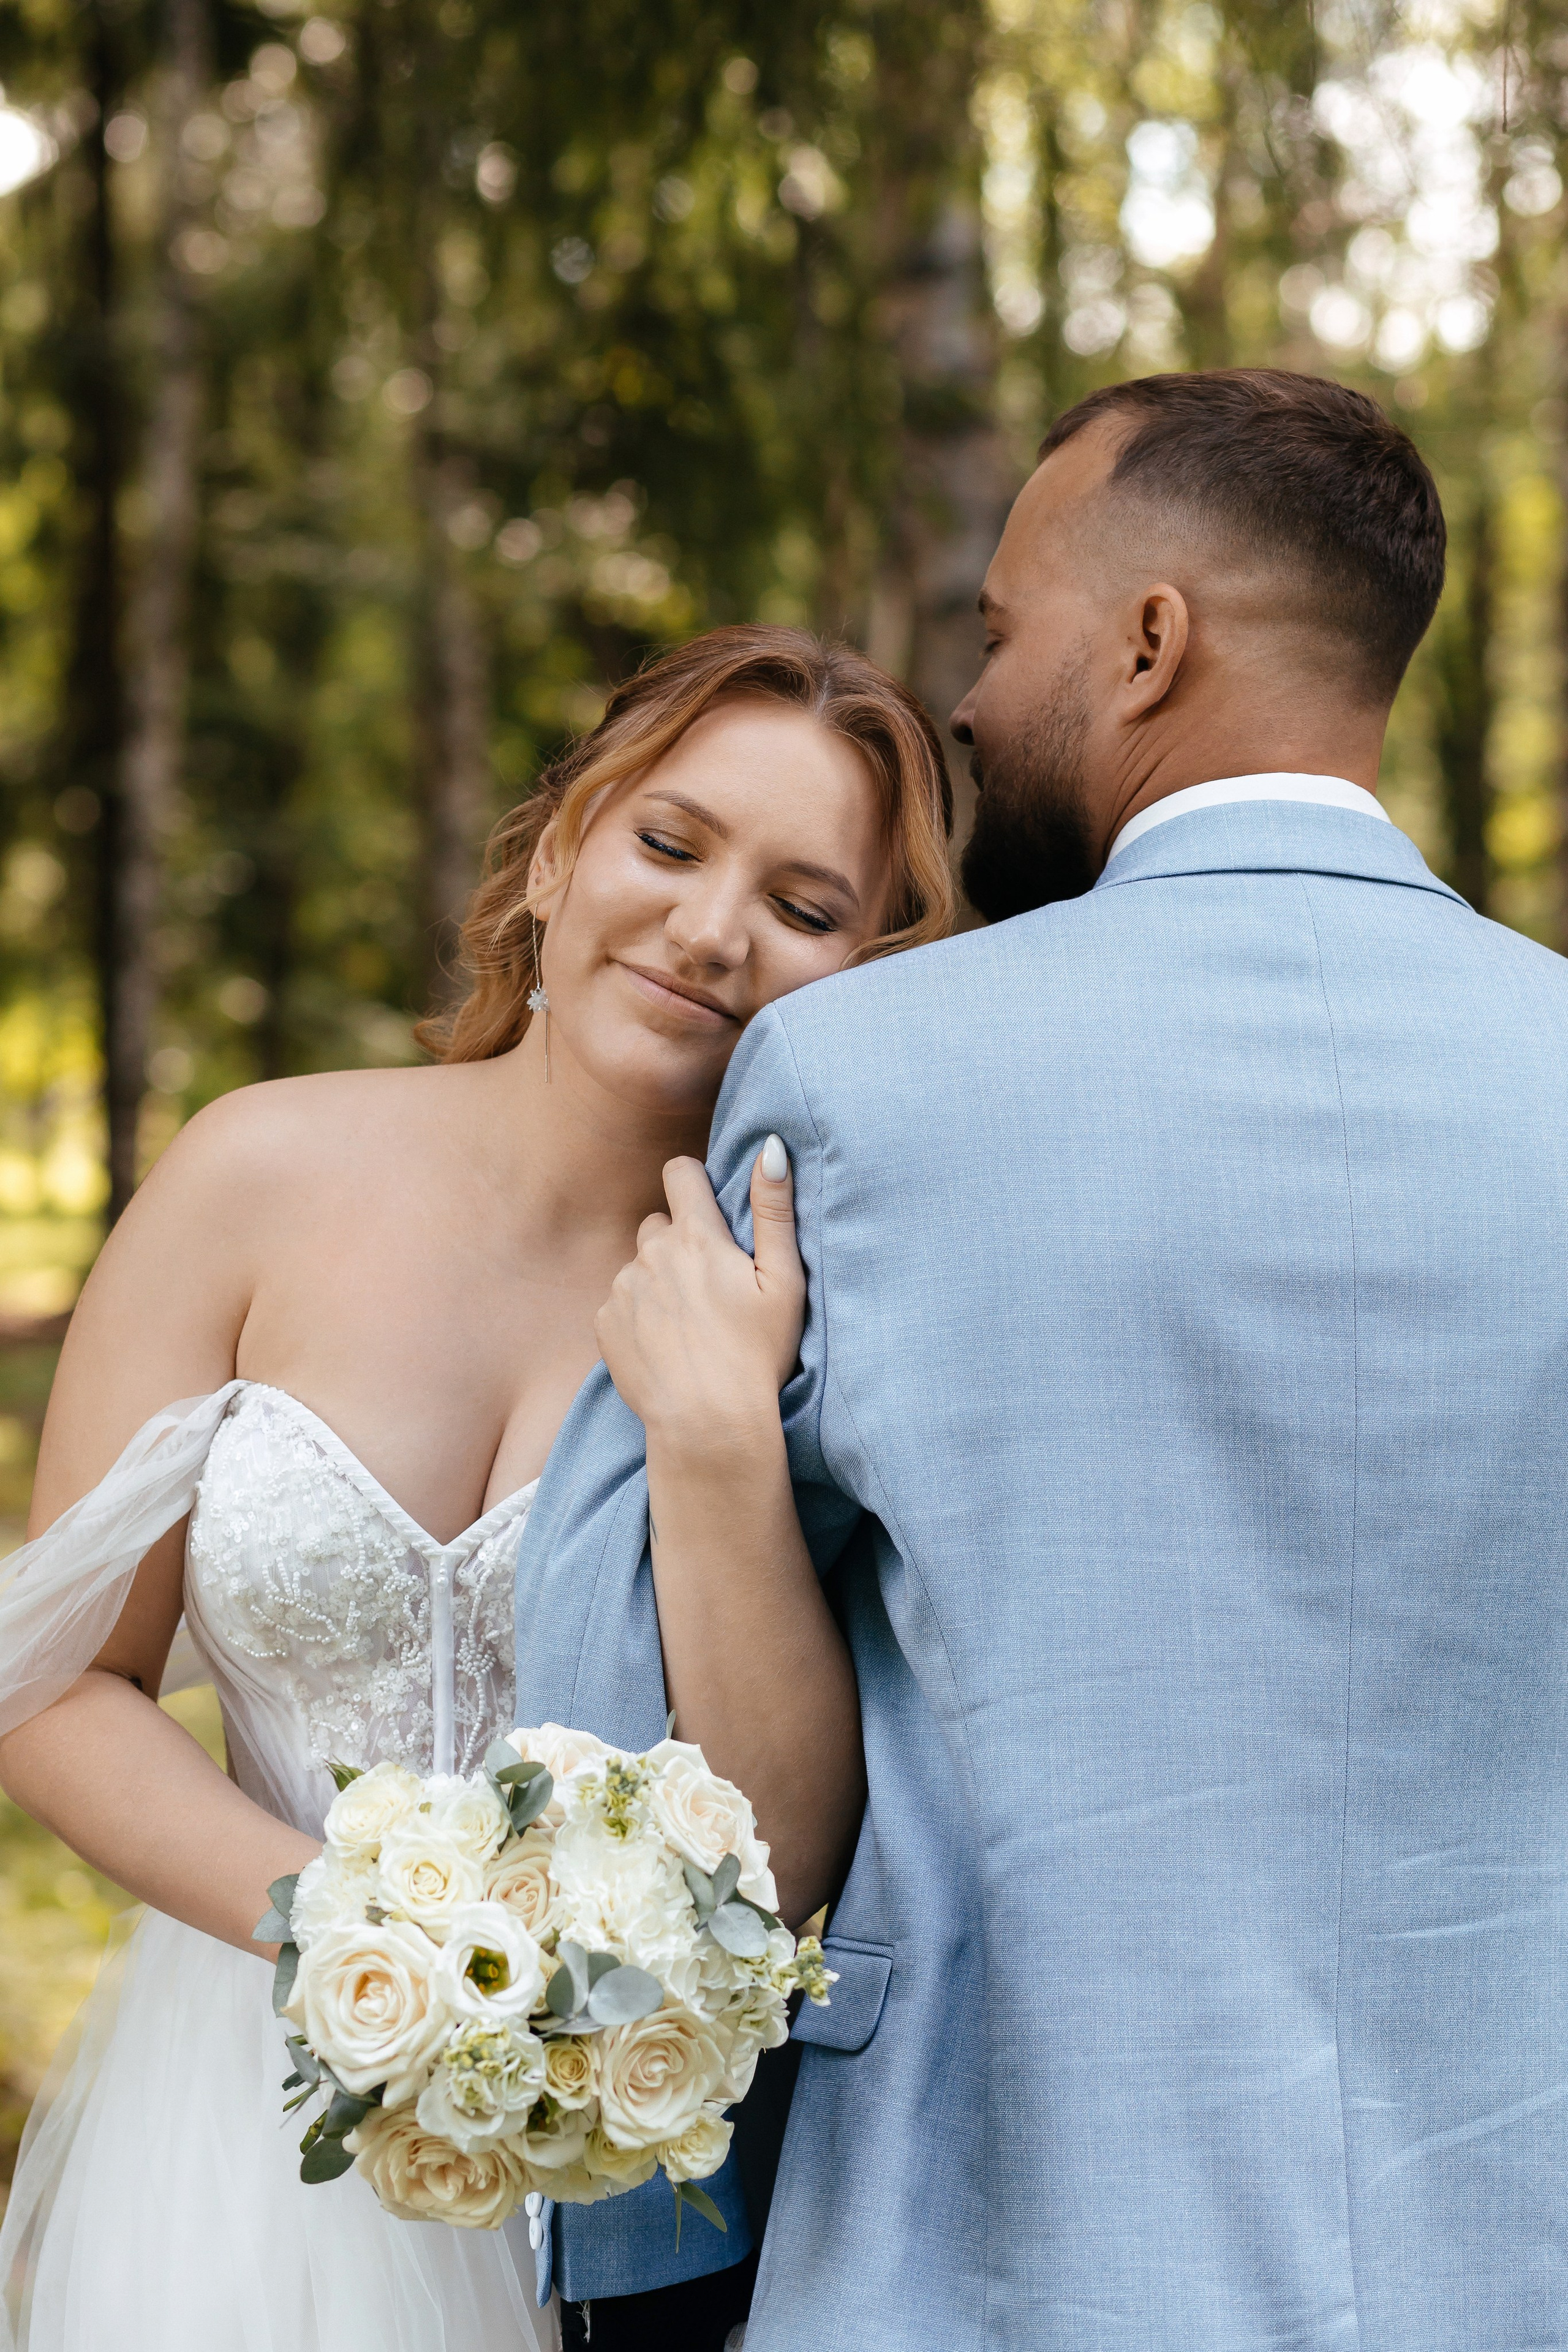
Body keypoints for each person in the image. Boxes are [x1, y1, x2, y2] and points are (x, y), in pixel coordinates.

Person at [516, 368, 1568, 2349]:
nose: (976, 704)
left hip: (980, 2258)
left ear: (1150, 643)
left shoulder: (853, 1079)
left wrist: (641, 2258)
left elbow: (624, 1693)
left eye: (1003, 630)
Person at [0, 625, 954, 2352]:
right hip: (241, 2135)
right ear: (563, 845)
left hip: (637, 2180)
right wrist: (348, 1942)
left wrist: (725, 1431)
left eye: (807, 908)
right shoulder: (254, 1171)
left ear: (867, 972)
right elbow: (61, 1682)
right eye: (670, 843)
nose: (712, 928)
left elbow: (788, 1843)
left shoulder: (821, 1309)